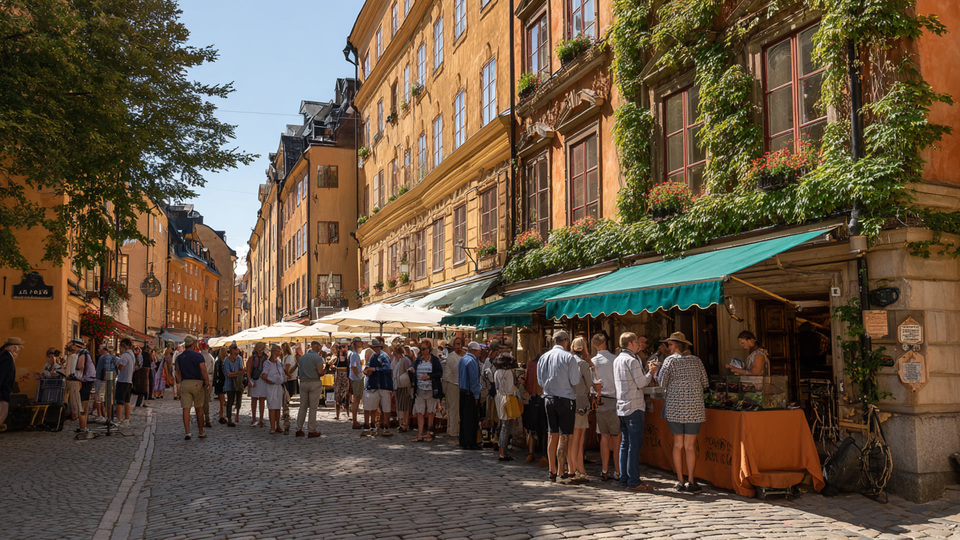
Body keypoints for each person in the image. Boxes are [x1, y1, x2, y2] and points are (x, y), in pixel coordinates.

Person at [651, 331, 709, 493]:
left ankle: (679, 480)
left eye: (669, 344)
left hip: (675, 408)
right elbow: (705, 382)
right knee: (690, 446)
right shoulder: (696, 361)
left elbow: (662, 382)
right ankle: (691, 480)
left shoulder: (669, 361)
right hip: (694, 408)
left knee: (678, 444)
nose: (668, 347)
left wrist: (655, 373)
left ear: (676, 345)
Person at [538, 330, 580, 483]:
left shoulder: (544, 357)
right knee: (564, 435)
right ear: (566, 341)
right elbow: (575, 380)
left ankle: (552, 470)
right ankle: (562, 471)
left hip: (548, 398)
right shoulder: (569, 357)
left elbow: (540, 381)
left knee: (552, 434)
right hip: (565, 398)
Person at [614, 332, 654, 491]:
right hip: (634, 406)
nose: (639, 345)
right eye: (637, 342)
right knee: (634, 445)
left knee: (625, 444)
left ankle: (624, 477)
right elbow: (641, 383)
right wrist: (651, 372)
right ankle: (634, 481)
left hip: (622, 406)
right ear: (630, 343)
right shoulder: (632, 360)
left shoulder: (617, 359)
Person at [590, 332, 621, 482]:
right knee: (616, 437)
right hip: (614, 400)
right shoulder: (614, 360)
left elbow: (592, 385)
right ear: (605, 343)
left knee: (604, 436)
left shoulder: (593, 361)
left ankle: (604, 469)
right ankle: (618, 470)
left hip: (600, 401)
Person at [570, 336, 596, 481]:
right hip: (580, 401)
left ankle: (577, 467)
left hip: (569, 399)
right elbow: (589, 384)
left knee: (573, 437)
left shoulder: (568, 361)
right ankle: (576, 468)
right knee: (578, 438)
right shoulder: (583, 364)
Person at [176, 335, 210, 440]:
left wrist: (179, 382)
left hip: (185, 383)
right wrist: (207, 382)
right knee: (199, 408)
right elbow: (203, 369)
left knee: (186, 409)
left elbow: (177, 373)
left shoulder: (179, 357)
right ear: (193, 345)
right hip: (197, 383)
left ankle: (187, 432)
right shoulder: (198, 356)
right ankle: (200, 432)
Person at [410, 339, 442, 442]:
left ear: (429, 349)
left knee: (431, 412)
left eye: (423, 349)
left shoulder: (434, 360)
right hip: (420, 388)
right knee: (420, 412)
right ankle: (419, 434)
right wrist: (412, 372)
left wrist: (429, 376)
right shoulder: (418, 360)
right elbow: (414, 371)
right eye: (420, 349)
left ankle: (429, 433)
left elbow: (439, 373)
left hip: (431, 389)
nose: (421, 351)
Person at [361, 338, 393, 437]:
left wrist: (373, 369)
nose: (373, 349)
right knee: (372, 406)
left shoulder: (384, 357)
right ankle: (372, 426)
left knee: (386, 407)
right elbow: (369, 367)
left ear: (378, 347)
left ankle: (386, 427)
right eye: (372, 347)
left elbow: (387, 369)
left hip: (384, 384)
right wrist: (367, 371)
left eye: (374, 347)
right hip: (374, 384)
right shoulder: (373, 357)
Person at [295, 341, 325, 438]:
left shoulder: (302, 357)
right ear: (315, 346)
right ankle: (311, 430)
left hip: (303, 382)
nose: (320, 348)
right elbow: (320, 372)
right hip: (314, 382)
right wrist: (325, 368)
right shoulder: (317, 357)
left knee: (303, 406)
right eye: (319, 346)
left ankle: (299, 428)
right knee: (313, 407)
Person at [493, 352, 519, 461]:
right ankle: (503, 453)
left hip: (499, 398)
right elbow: (510, 388)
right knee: (505, 426)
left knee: (502, 424)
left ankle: (502, 451)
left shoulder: (497, 372)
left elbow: (496, 386)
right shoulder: (508, 373)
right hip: (507, 399)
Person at [458, 341, 482, 450]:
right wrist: (476, 396)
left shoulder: (463, 359)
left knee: (463, 418)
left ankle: (463, 440)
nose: (479, 353)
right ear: (474, 351)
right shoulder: (472, 361)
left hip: (462, 392)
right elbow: (474, 380)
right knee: (471, 419)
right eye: (478, 351)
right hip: (470, 393)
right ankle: (470, 442)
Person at [260, 345, 286, 434]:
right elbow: (263, 375)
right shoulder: (267, 363)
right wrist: (269, 381)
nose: (280, 353)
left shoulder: (279, 363)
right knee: (272, 407)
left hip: (278, 386)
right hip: (271, 387)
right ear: (274, 351)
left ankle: (278, 425)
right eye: (278, 351)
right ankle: (272, 426)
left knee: (278, 407)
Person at [73, 339, 97, 437]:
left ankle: (83, 427)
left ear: (76, 345)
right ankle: (83, 426)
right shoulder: (85, 353)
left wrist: (73, 369)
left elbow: (80, 366)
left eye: (71, 344)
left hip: (85, 380)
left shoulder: (82, 353)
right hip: (88, 380)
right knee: (83, 404)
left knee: (83, 405)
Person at [0, 337, 23, 428]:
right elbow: (2, 374)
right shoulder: (7, 357)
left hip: (4, 389)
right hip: (3, 390)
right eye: (18, 347)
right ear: (14, 347)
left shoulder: (6, 355)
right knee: (3, 411)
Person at [442, 337, 462, 438]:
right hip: (452, 383)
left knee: (453, 408)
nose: (457, 346)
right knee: (453, 408)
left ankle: (452, 429)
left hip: (456, 383)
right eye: (456, 344)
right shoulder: (452, 357)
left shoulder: (460, 356)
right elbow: (455, 372)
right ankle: (453, 431)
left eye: (459, 344)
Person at [114, 338, 136, 428]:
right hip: (129, 380)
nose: (120, 348)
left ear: (124, 346)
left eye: (120, 346)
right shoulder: (132, 354)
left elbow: (121, 367)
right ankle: (126, 419)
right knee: (127, 400)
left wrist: (117, 363)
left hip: (123, 380)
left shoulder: (125, 355)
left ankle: (118, 419)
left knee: (119, 401)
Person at [392, 344, 414, 433]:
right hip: (397, 385)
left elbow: (409, 372)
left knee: (405, 405)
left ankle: (405, 424)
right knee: (399, 405)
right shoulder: (395, 361)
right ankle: (400, 423)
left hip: (404, 385)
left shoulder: (405, 360)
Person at [222, 342, 245, 427]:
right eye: (235, 348)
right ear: (231, 350)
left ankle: (237, 415)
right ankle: (229, 419)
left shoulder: (239, 359)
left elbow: (241, 370)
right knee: (230, 401)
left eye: (237, 348)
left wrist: (236, 373)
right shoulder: (226, 360)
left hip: (238, 382)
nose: (237, 349)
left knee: (239, 399)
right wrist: (238, 373)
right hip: (229, 383)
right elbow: (228, 374)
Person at [247, 342, 268, 427]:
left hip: (262, 380)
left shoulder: (265, 358)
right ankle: (254, 418)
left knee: (261, 399)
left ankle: (261, 419)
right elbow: (248, 370)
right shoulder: (252, 358)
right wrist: (250, 380)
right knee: (254, 399)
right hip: (255, 379)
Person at [94, 344, 117, 422]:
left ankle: (100, 415)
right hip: (108, 379)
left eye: (100, 349)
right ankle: (105, 414)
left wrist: (104, 377)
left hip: (103, 379)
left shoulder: (105, 356)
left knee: (99, 397)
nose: (99, 351)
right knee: (103, 398)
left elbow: (106, 368)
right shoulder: (110, 356)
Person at [281, 342, 299, 433]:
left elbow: (287, 369)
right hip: (291, 379)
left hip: (290, 379)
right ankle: (285, 414)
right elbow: (288, 370)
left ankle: (285, 414)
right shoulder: (290, 358)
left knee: (287, 398)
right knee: (287, 398)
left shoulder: (288, 358)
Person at [348, 337, 365, 429]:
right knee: (356, 400)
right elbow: (353, 368)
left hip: (356, 378)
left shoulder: (355, 354)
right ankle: (354, 421)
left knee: (357, 400)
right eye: (359, 342)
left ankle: (355, 420)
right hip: (357, 379)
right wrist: (360, 376)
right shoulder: (354, 354)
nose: (361, 343)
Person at [63, 340, 82, 420]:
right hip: (68, 379)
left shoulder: (76, 357)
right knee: (71, 398)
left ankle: (75, 414)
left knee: (75, 398)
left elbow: (74, 369)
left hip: (73, 379)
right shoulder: (69, 356)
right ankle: (71, 413)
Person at [332, 343, 351, 420]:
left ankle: (348, 414)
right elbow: (331, 364)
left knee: (347, 396)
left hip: (346, 378)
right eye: (341, 347)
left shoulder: (348, 357)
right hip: (338, 378)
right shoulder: (336, 357)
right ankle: (337, 414)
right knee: (337, 396)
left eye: (344, 347)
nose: (343, 349)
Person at [199, 340, 215, 428]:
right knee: (206, 400)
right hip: (209, 378)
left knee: (199, 400)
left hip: (200, 379)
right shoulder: (210, 357)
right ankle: (207, 417)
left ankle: (200, 418)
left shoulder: (199, 356)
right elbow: (213, 368)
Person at [212, 347, 227, 422]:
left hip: (220, 382)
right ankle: (221, 415)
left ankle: (222, 414)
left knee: (222, 400)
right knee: (222, 400)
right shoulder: (220, 361)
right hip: (221, 382)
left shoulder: (219, 361)